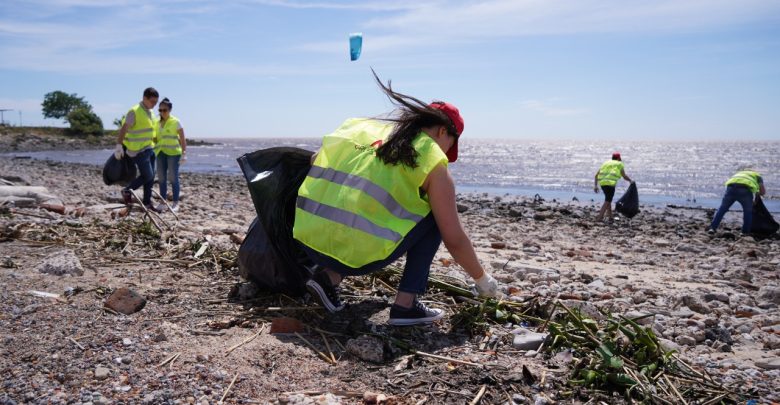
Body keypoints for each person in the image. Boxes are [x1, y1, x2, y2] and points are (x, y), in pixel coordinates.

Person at [293, 74, 500, 326]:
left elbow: (315, 160)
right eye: (450, 144)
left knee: (355, 199)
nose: (446, 152)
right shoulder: (431, 157)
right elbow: (454, 238)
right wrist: (482, 280)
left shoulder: (360, 128)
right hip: (355, 258)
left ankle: (327, 277)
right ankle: (406, 305)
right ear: (443, 131)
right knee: (436, 217)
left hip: (308, 241)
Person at [114, 87, 160, 212]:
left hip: (149, 148)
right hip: (137, 150)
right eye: (152, 102)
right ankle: (127, 191)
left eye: (156, 102)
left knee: (151, 177)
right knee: (148, 175)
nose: (154, 105)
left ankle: (147, 203)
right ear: (144, 98)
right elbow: (124, 128)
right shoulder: (134, 111)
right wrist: (119, 146)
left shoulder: (150, 112)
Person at [707, 168, 766, 235]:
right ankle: (745, 232)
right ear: (753, 171)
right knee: (747, 212)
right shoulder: (757, 175)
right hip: (744, 191)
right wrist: (755, 198)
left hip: (730, 189)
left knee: (722, 209)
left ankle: (712, 228)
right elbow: (762, 192)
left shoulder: (738, 174)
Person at [154, 98, 187, 212]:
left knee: (173, 178)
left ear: (170, 110)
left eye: (165, 110)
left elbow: (182, 138)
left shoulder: (176, 121)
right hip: (160, 153)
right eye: (160, 110)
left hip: (173, 154)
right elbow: (154, 138)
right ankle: (163, 202)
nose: (162, 112)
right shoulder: (157, 123)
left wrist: (184, 153)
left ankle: (175, 203)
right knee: (162, 178)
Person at [594, 152, 633, 222]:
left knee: (608, 199)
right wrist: (630, 181)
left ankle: (610, 217)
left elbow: (596, 175)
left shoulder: (605, 163)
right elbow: (624, 176)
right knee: (608, 201)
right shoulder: (619, 164)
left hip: (602, 183)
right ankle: (600, 217)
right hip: (610, 184)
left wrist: (595, 186)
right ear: (618, 158)